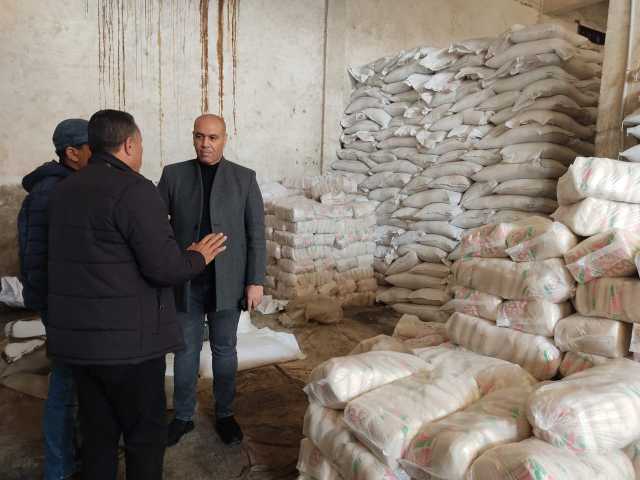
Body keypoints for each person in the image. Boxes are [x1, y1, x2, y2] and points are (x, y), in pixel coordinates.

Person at [47, 109, 226, 480]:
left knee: (98, 436)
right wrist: (197, 256)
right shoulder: (135, 190)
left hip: (79, 344)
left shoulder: (65, 190)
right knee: (144, 439)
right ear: (129, 144)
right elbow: (164, 269)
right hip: (128, 348)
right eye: (141, 144)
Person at [158, 114, 266, 447]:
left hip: (228, 280)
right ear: (193, 137)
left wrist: (255, 280)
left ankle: (225, 414)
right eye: (199, 136)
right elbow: (155, 226)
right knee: (185, 350)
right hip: (186, 280)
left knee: (224, 349)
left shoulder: (244, 178)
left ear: (224, 139)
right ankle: (183, 416)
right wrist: (174, 258)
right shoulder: (173, 175)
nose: (205, 144)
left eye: (213, 137)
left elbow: (256, 234)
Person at [17, 118, 92, 480]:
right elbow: (38, 260)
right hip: (63, 306)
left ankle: (73, 454)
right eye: (93, 147)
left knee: (75, 381)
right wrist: (58, 306)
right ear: (72, 153)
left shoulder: (65, 185)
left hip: (68, 303)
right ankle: (59, 468)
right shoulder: (52, 193)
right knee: (64, 384)